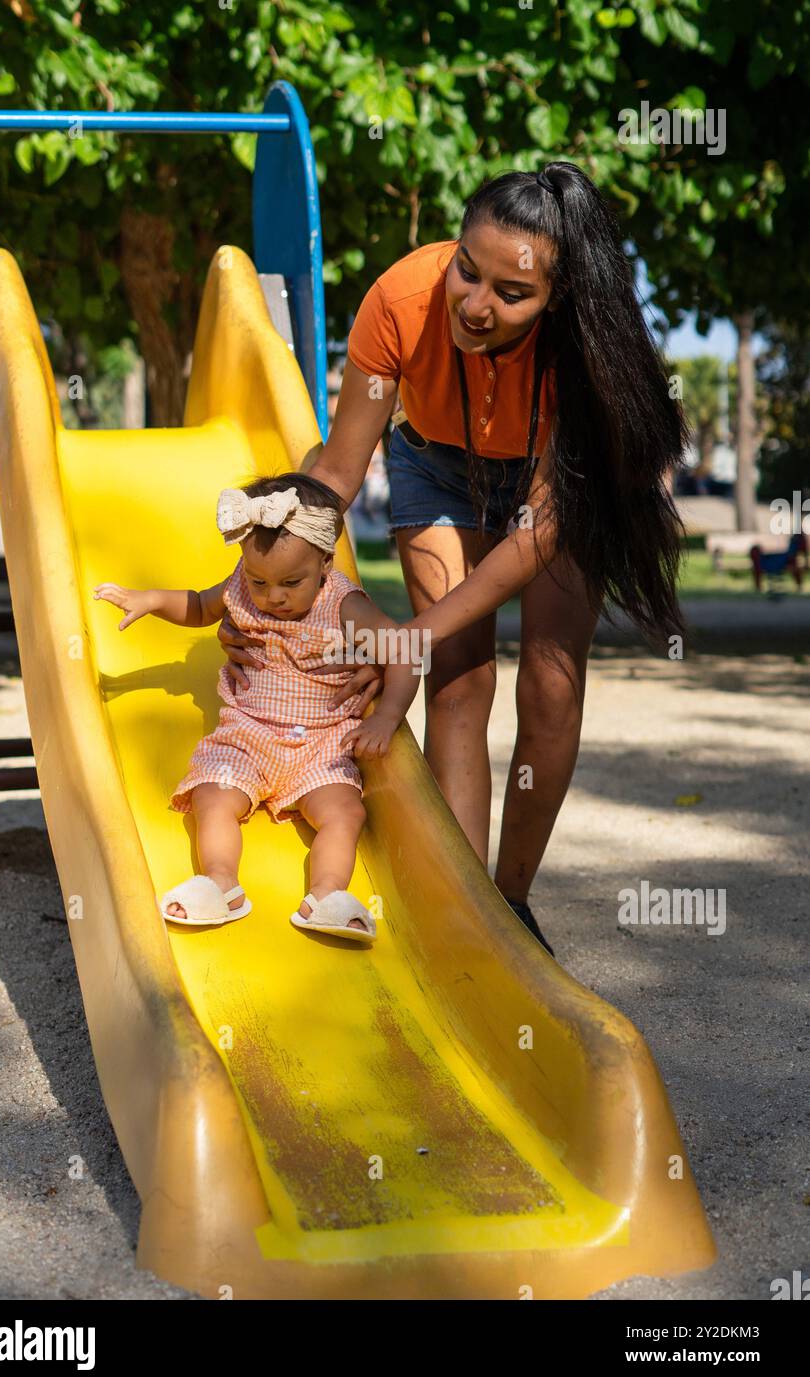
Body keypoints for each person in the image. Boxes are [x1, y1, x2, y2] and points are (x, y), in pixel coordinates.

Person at [219, 163, 687, 956]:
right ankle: (471, 911)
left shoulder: (583, 356)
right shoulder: (400, 299)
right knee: (461, 677)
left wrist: (409, 635)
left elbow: (535, 537)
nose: (475, 304)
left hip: (554, 487)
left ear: (559, 297)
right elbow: (335, 472)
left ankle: (512, 899)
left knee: (551, 679)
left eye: (511, 294)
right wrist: (256, 583)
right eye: (467, 270)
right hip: (436, 464)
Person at [94, 473, 420, 942]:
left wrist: (387, 716)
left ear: (325, 562)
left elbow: (405, 652)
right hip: (248, 735)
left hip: (321, 744)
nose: (273, 596)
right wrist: (150, 599)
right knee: (213, 795)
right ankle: (221, 882)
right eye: (259, 580)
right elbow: (199, 605)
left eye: (291, 582)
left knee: (345, 813)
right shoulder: (243, 588)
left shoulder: (344, 605)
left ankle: (327, 895)